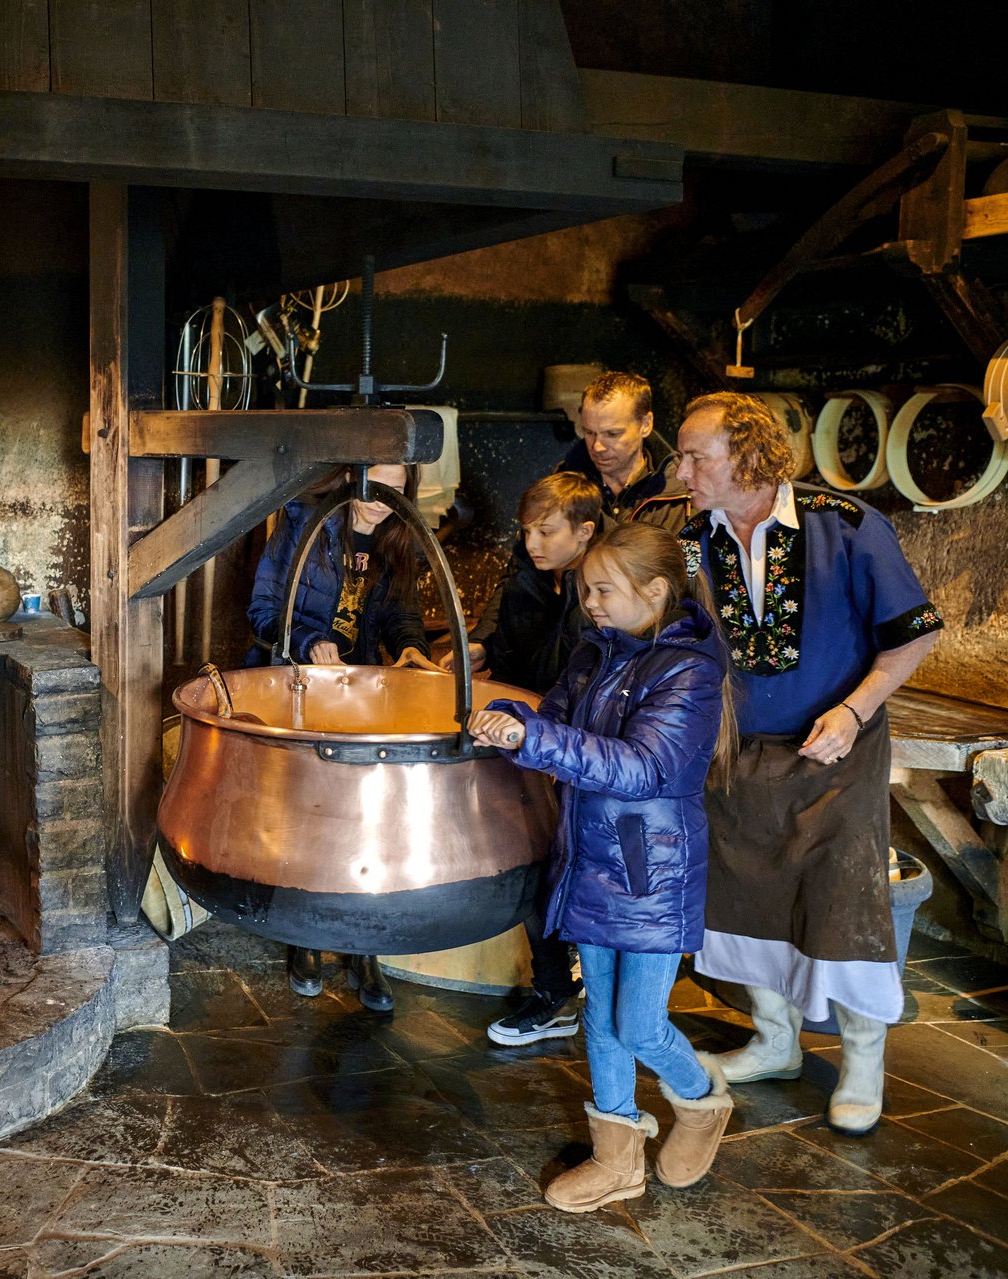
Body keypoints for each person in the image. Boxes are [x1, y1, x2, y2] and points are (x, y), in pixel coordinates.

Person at [674, 391, 942, 1137]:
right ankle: (777, 1039)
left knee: (842, 899)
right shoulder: (693, 536)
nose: (683, 469)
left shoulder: (847, 525)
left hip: (838, 753)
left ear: (750, 455)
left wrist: (854, 711)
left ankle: (862, 1060)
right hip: (735, 755)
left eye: (698, 455)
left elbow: (912, 635)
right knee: (745, 894)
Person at [469, 521, 735, 1212]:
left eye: (602, 589)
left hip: (651, 874)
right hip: (587, 858)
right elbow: (552, 717)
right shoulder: (594, 651)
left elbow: (646, 766)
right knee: (599, 1017)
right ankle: (617, 1161)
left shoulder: (690, 671)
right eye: (585, 588)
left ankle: (703, 1103)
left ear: (655, 590)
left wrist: (538, 738)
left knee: (641, 1024)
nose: (588, 600)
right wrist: (505, 719)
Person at [246, 463, 437, 1012]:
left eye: (396, 490)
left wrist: (409, 648)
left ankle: (366, 947)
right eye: (373, 485)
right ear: (350, 476)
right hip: (299, 691)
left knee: (368, 823)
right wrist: (307, 642)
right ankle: (304, 938)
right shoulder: (305, 520)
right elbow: (262, 611)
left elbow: (403, 613)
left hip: (364, 697)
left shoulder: (402, 535)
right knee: (307, 817)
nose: (382, 499)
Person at [464, 472, 603, 1046]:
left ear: (586, 531)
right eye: (526, 531)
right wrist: (468, 652)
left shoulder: (601, 587)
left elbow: (591, 666)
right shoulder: (532, 575)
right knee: (537, 864)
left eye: (546, 531)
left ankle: (576, 997)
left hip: (578, 743)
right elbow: (495, 634)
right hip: (533, 735)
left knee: (567, 868)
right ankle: (561, 993)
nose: (532, 544)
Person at [558, 372, 688, 531]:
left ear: (645, 424)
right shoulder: (560, 488)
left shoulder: (685, 491)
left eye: (612, 434)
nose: (597, 447)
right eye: (589, 432)